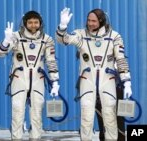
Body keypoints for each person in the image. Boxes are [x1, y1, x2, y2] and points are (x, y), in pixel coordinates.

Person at [56, 8, 132, 141]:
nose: (90, 23)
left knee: (109, 115)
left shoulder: (114, 36)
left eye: (94, 21)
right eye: (89, 20)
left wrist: (127, 82)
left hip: (108, 80)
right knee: (86, 116)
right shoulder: (81, 35)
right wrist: (62, 27)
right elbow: (63, 40)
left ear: (101, 21)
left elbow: (121, 59)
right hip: (87, 80)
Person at [0, 11, 60, 141]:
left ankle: (35, 137)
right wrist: (6, 41)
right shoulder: (15, 37)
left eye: (36, 22)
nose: (33, 25)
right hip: (19, 78)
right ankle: (16, 138)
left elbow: (51, 61)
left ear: (40, 23)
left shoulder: (47, 39)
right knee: (17, 110)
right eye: (30, 22)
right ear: (25, 23)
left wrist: (55, 82)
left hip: (38, 79)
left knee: (37, 112)